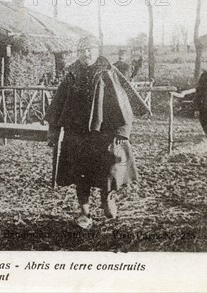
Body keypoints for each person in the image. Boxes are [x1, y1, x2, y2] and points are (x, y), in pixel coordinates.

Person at [45, 37, 150, 229]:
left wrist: (121, 130)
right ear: (77, 53)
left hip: (103, 133)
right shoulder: (71, 74)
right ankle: (84, 213)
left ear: (97, 51)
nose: (86, 54)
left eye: (89, 50)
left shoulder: (107, 72)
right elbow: (58, 102)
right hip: (76, 133)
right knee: (80, 173)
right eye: (82, 50)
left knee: (107, 170)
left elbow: (121, 102)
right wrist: (53, 130)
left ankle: (107, 199)